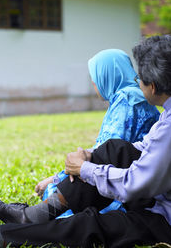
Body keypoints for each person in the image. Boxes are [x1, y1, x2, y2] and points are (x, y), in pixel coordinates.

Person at [0, 35, 171, 247]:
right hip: (159, 194)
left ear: (154, 86)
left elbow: (134, 185)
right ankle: (33, 215)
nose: (138, 83)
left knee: (90, 224)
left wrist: (84, 169)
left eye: (141, 79)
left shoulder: (169, 122)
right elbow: (142, 147)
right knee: (114, 150)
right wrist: (92, 156)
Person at [36, 49, 160, 201]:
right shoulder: (129, 96)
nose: (94, 84)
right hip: (135, 174)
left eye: (95, 78)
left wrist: (55, 179)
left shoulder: (128, 100)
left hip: (129, 182)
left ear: (107, 76)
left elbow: (105, 154)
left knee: (56, 192)